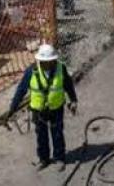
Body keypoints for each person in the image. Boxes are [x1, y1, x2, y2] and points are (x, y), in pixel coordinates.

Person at [9, 44, 78, 172]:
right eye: (45, 62)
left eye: (50, 61)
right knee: (41, 136)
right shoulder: (31, 71)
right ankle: (43, 159)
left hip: (56, 108)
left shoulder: (60, 68)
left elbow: (68, 85)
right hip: (38, 110)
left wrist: (73, 100)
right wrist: (12, 108)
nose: (48, 64)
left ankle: (59, 158)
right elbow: (21, 90)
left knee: (57, 134)